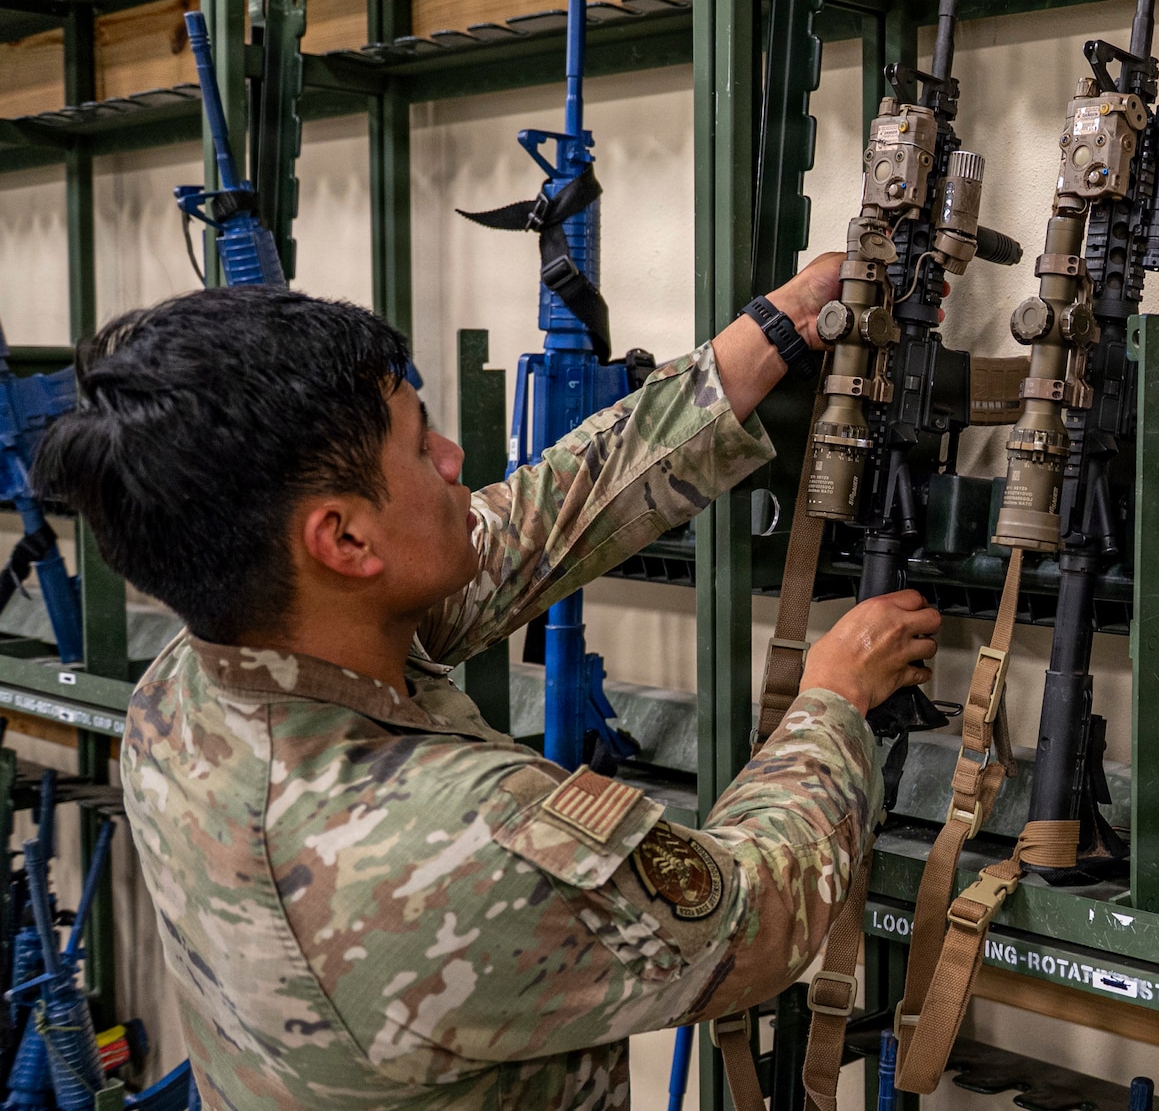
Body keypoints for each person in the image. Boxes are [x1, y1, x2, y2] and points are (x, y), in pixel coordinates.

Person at [33, 256, 941, 1110]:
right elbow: (755, 913)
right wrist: (832, 701)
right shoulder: (452, 849)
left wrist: (774, 333)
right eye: (418, 444)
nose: (455, 456)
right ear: (343, 541)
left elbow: (523, 535)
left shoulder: (193, 686)